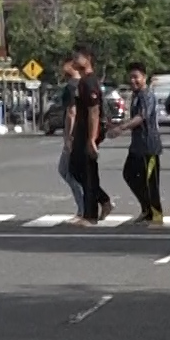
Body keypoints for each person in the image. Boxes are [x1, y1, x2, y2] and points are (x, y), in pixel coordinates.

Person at [116, 62, 164, 225]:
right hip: (137, 145)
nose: (133, 81)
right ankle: (146, 208)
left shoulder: (146, 95)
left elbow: (141, 117)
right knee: (129, 174)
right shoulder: (136, 95)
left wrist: (122, 127)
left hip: (149, 145)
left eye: (136, 77)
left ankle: (156, 214)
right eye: (130, 77)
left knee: (151, 181)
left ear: (144, 78)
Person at [69, 47, 113, 224]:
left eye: (77, 57)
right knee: (75, 168)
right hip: (81, 130)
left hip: (89, 132)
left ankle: (90, 215)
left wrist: (92, 139)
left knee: (87, 171)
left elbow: (94, 111)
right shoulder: (82, 81)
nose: (73, 60)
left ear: (88, 58)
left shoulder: (89, 82)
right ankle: (103, 200)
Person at [56, 59, 86, 214]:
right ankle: (97, 202)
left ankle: (85, 207)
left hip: (75, 135)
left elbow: (71, 112)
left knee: (67, 170)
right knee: (76, 171)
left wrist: (68, 137)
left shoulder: (71, 87)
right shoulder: (85, 84)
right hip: (85, 133)